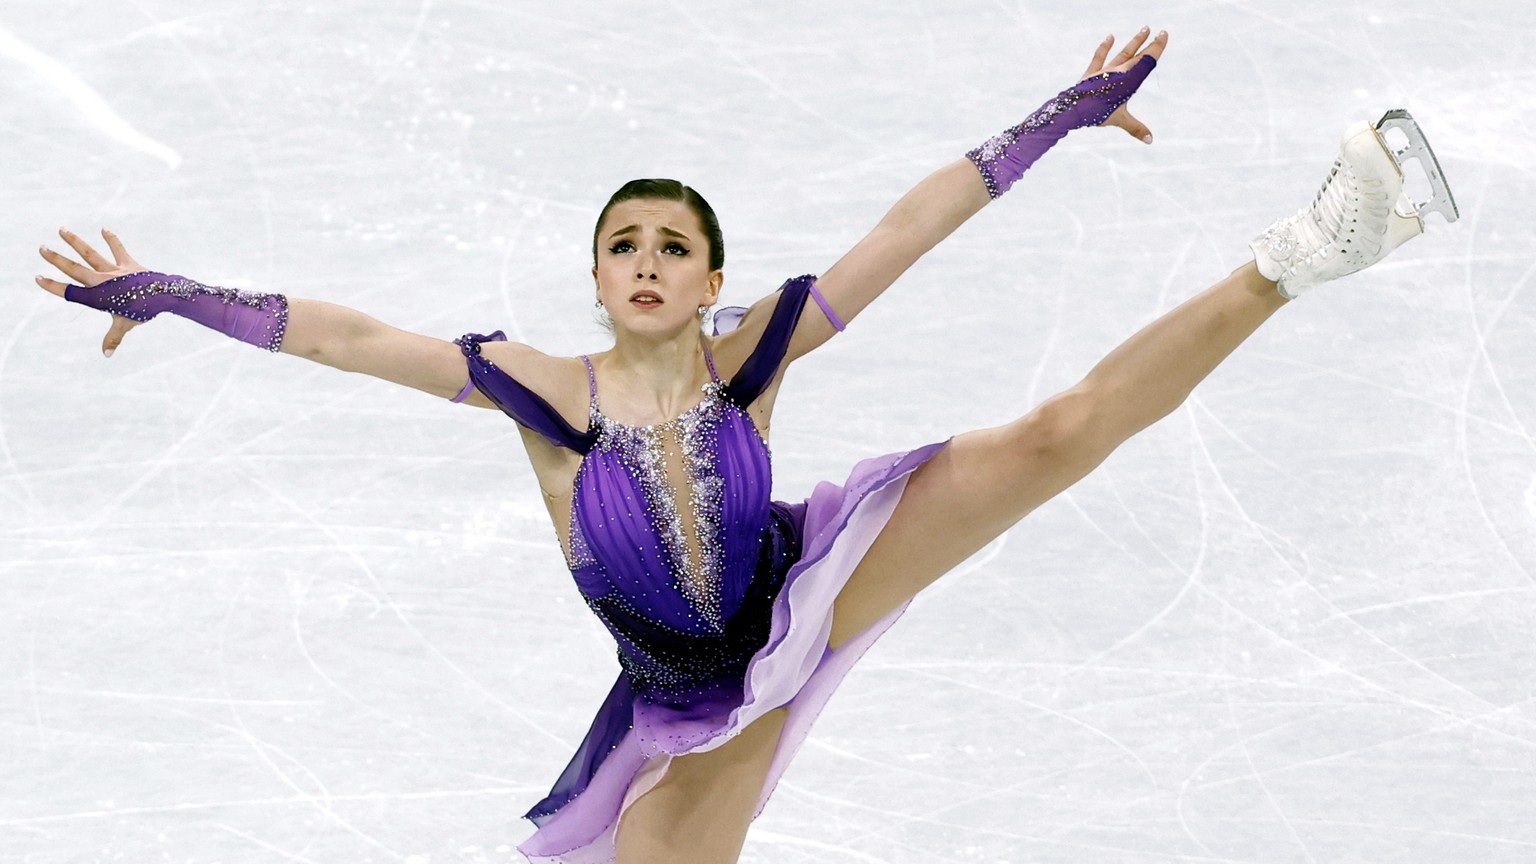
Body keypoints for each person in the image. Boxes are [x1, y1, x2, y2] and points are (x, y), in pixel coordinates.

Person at [33, 26, 1456, 864]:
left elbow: (906, 228)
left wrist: (1053, 122)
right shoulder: (536, 390)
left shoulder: (754, 351)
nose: (647, 263)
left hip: (808, 578)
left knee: (1056, 436)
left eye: (674, 247)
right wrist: (168, 295)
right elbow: (344, 336)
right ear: (596, 279)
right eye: (623, 247)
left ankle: (1304, 249)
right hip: (689, 704)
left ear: (712, 278)